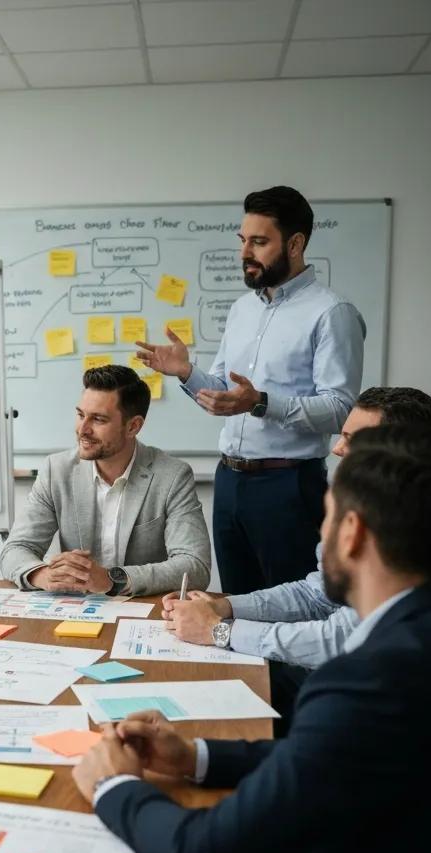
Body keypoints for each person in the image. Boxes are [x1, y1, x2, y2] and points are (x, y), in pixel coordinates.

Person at [73, 426, 431, 853]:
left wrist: (113, 786)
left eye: (327, 517)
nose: (318, 533)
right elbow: (335, 758)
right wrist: (197, 757)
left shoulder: (367, 683)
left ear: (354, 533)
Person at [163, 387, 431, 724]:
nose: (337, 448)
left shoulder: (425, 532)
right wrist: (225, 606)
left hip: (382, 706)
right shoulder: (367, 504)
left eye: (352, 439)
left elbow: (341, 638)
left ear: (397, 453)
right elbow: (315, 593)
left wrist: (220, 631)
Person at [136, 186, 365, 594]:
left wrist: (260, 403)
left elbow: (341, 409)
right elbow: (226, 393)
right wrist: (186, 373)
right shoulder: (242, 310)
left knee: (293, 607)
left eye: (259, 242)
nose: (246, 252)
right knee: (237, 606)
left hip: (289, 486)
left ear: (295, 244)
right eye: (243, 241)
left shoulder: (331, 313)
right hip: (230, 482)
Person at [0, 365, 210, 597]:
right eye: (80, 415)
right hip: (76, 611)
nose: (83, 429)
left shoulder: (172, 476)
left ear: (133, 426)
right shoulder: (56, 471)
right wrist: (44, 575)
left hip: (142, 610)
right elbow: (16, 549)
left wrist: (113, 580)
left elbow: (195, 566)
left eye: (98, 419)